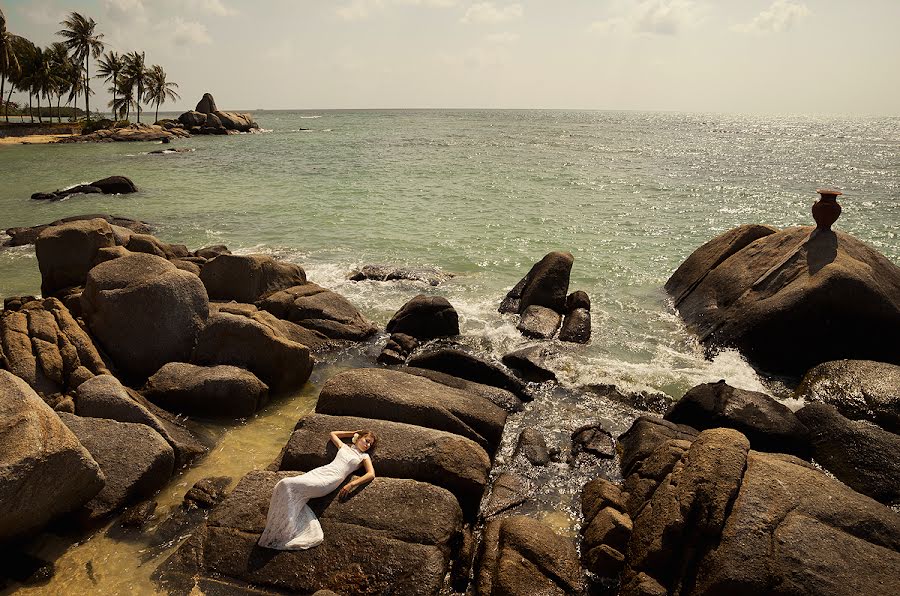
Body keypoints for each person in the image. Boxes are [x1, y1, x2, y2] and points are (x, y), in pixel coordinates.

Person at [258, 429, 377, 550]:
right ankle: (281, 523)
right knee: (283, 485)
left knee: (286, 483)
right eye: (366, 441)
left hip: (330, 480)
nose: (367, 445)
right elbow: (332, 434)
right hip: (321, 471)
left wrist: (351, 484)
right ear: (359, 438)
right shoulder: (344, 447)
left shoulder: (363, 456)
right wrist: (353, 433)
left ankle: (285, 530)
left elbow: (371, 474)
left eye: (370, 444)